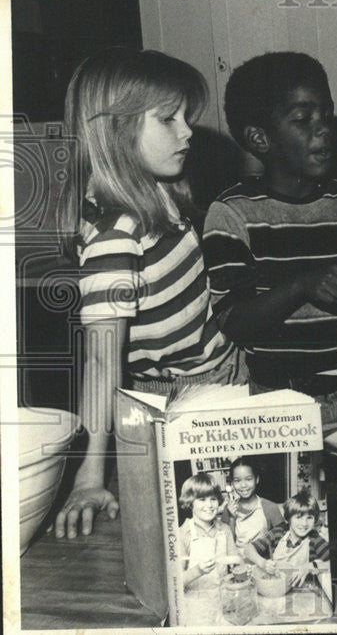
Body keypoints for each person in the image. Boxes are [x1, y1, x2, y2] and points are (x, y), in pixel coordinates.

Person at [52, 48, 245, 539]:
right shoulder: (114, 237)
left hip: (224, 377)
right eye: (168, 119)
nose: (187, 131)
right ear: (116, 131)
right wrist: (92, 473)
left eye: (185, 116)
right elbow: (101, 362)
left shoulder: (157, 190)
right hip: (181, 404)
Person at [202, 52, 337, 430]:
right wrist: (302, 284)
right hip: (274, 402)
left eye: (326, 115)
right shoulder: (232, 213)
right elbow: (233, 322)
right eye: (302, 120)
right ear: (259, 137)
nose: (324, 129)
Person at [243, 491, 329, 588]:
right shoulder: (279, 532)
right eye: (299, 517)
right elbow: (248, 549)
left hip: (303, 591)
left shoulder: (315, 539)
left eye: (309, 518)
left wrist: (309, 566)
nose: (304, 523)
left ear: (315, 519)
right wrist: (263, 563)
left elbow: (330, 563)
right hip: (276, 587)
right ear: (288, 518)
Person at [178, 473, 238, 590]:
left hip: (223, 600)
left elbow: (234, 563)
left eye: (213, 499)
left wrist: (240, 565)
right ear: (190, 503)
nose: (209, 505)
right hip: (196, 603)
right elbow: (175, 583)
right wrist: (198, 571)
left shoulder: (225, 530)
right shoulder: (182, 533)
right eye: (202, 499)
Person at [221, 456, 284, 550]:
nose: (243, 485)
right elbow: (227, 545)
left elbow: (281, 543)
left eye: (248, 479)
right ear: (232, 483)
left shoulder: (270, 507)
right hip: (238, 560)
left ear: (257, 479)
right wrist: (231, 518)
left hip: (264, 561)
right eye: (237, 480)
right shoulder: (228, 508)